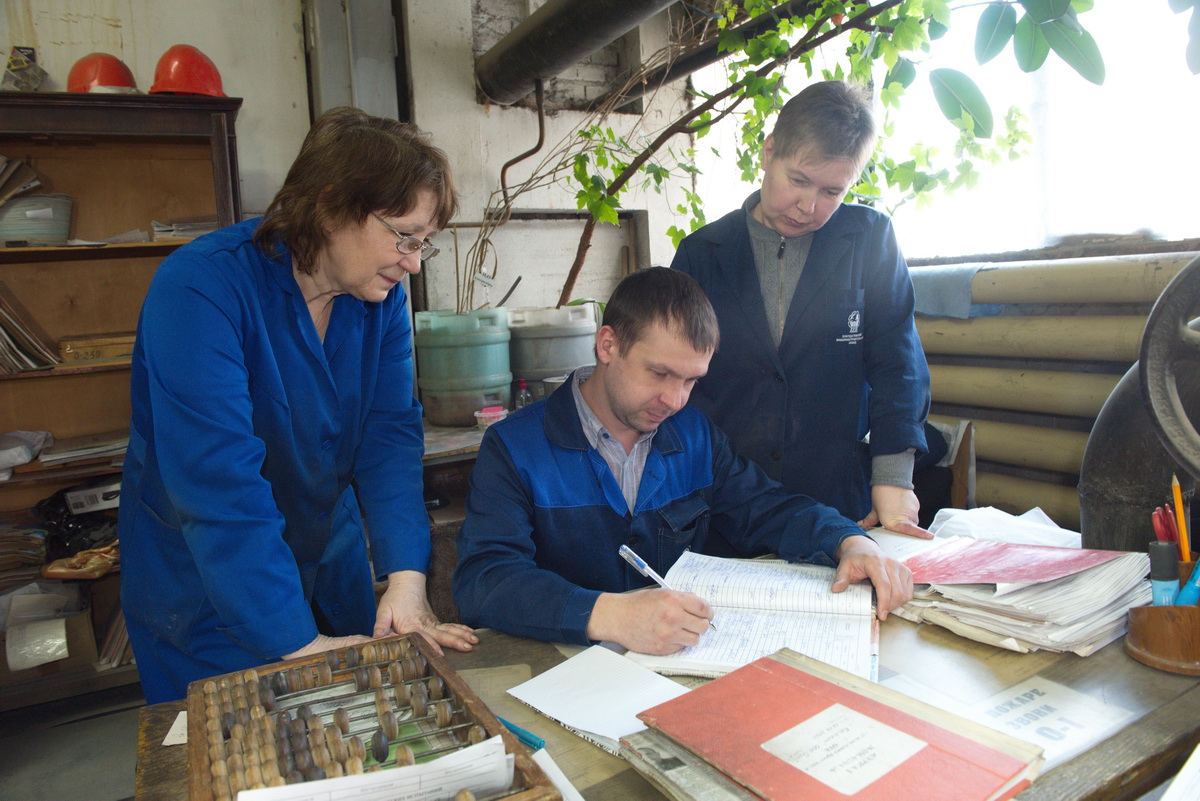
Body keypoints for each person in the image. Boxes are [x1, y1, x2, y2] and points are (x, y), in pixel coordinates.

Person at [119, 107, 478, 703]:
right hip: (210, 569)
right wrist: (298, 644)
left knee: (358, 723)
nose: (414, 262)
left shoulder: (379, 296)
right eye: (404, 236)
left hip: (325, 542)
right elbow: (217, 480)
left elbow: (389, 438)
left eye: (425, 244)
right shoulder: (199, 289)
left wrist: (407, 581)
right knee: (236, 739)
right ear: (331, 206)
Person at [452, 267, 912, 655]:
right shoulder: (514, 447)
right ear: (608, 345)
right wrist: (608, 614)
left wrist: (849, 542)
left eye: (691, 381)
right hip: (560, 670)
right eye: (659, 373)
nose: (674, 400)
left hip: (676, 664)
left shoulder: (693, 436)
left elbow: (768, 507)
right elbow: (483, 580)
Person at [671, 80, 932, 541]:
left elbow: (899, 363)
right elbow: (676, 379)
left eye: (832, 191)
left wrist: (893, 476)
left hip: (836, 498)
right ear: (769, 151)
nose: (808, 206)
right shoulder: (702, 252)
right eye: (798, 180)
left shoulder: (869, 241)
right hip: (727, 500)